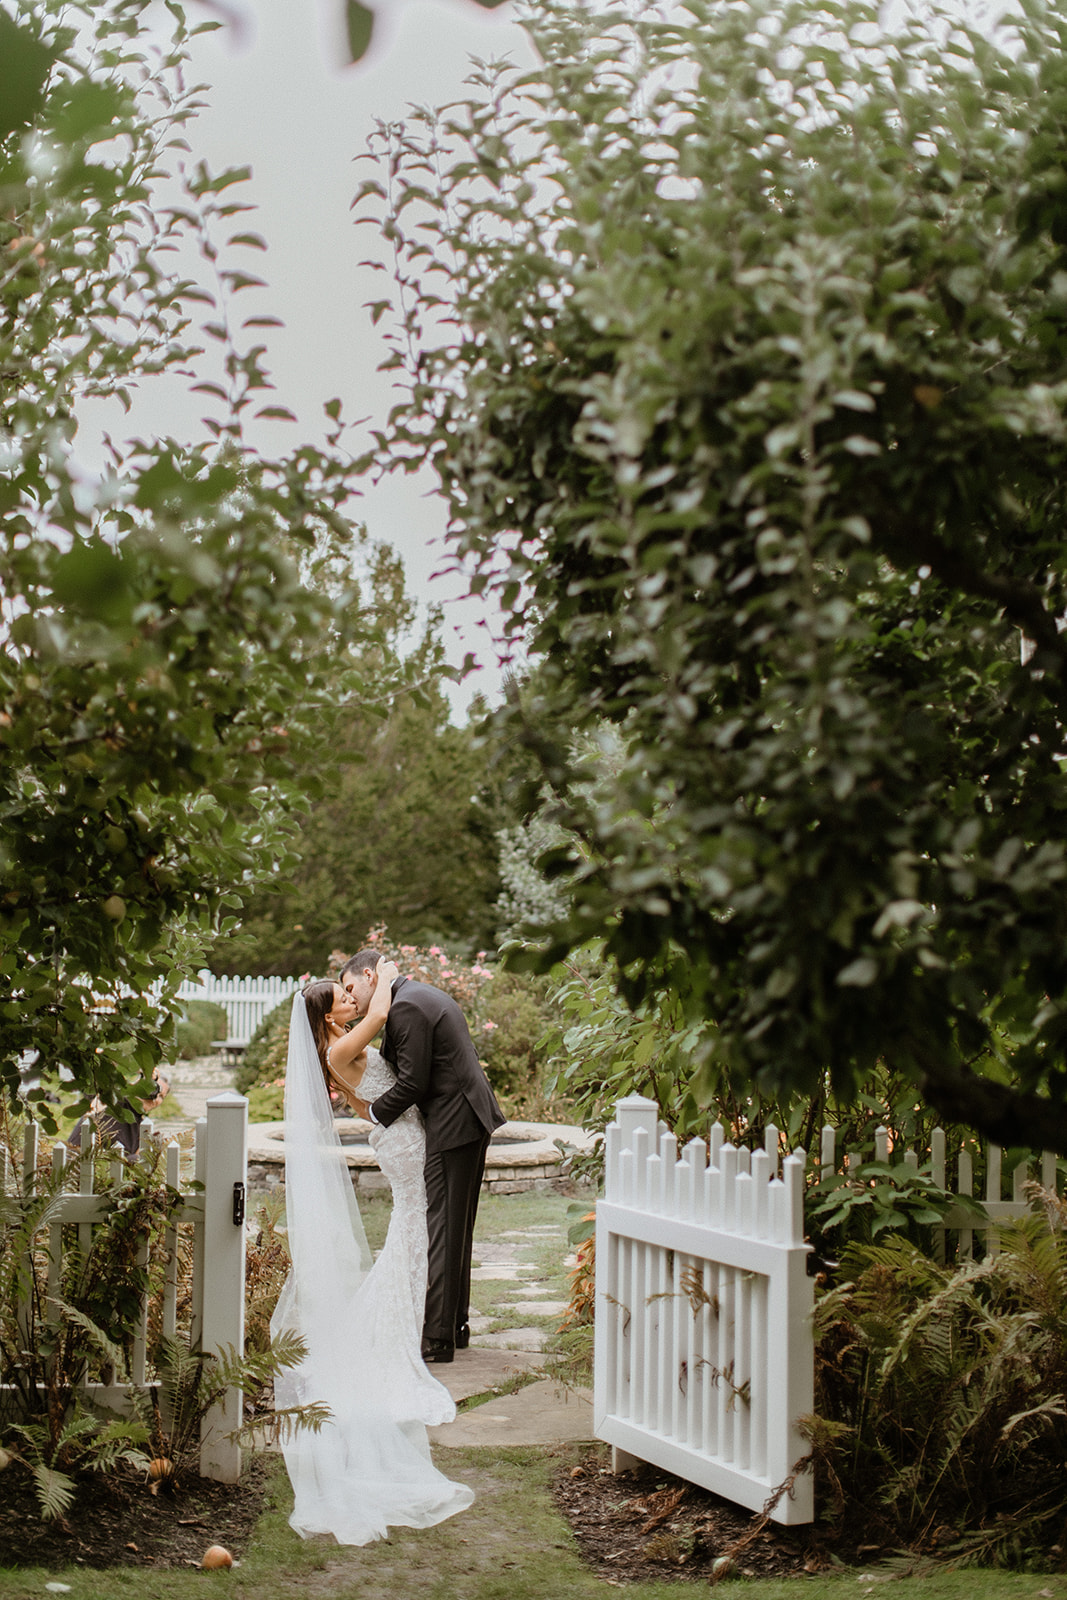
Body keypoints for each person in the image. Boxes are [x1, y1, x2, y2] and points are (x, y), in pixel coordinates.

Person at [270, 964, 473, 1547]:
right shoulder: (340, 1050)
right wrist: (384, 973)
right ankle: (402, 1319)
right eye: (341, 997)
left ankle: (410, 1313)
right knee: (414, 1227)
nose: (352, 1001)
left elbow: (369, 1094)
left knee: (412, 1231)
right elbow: (382, 1013)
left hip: (398, 1132)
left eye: (350, 991)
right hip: (405, 1140)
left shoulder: (338, 1049)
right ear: (328, 1013)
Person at [340, 949, 505, 1364]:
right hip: (464, 1118)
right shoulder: (410, 998)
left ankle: (436, 1339)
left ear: (368, 975)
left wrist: (375, 1115)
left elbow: (413, 1082)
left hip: (455, 1122)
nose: (350, 998)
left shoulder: (407, 1007)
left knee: (444, 1228)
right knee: (455, 1226)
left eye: (350, 988)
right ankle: (455, 1325)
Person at [67, 1069, 170, 1157]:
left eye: (161, 1096)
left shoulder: (141, 1126)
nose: (155, 1098)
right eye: (152, 1090)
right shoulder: (114, 1101)